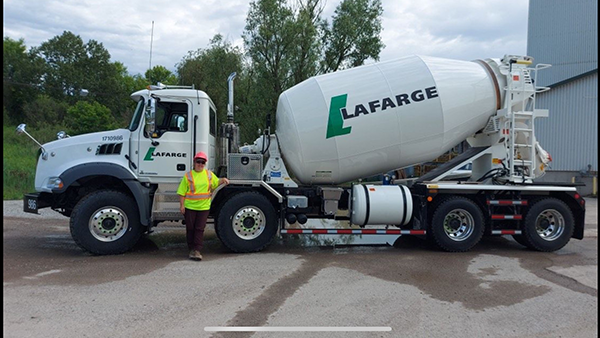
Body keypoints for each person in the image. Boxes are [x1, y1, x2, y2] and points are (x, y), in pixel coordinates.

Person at [177, 151, 229, 261]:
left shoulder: (209, 174)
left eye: (202, 162)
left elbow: (216, 182)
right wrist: (182, 205)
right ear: (194, 162)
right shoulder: (188, 176)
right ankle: (191, 248)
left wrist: (223, 180)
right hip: (190, 207)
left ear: (205, 163)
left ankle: (197, 250)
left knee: (200, 229)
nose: (200, 164)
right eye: (198, 162)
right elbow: (181, 192)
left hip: (204, 207)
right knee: (190, 229)